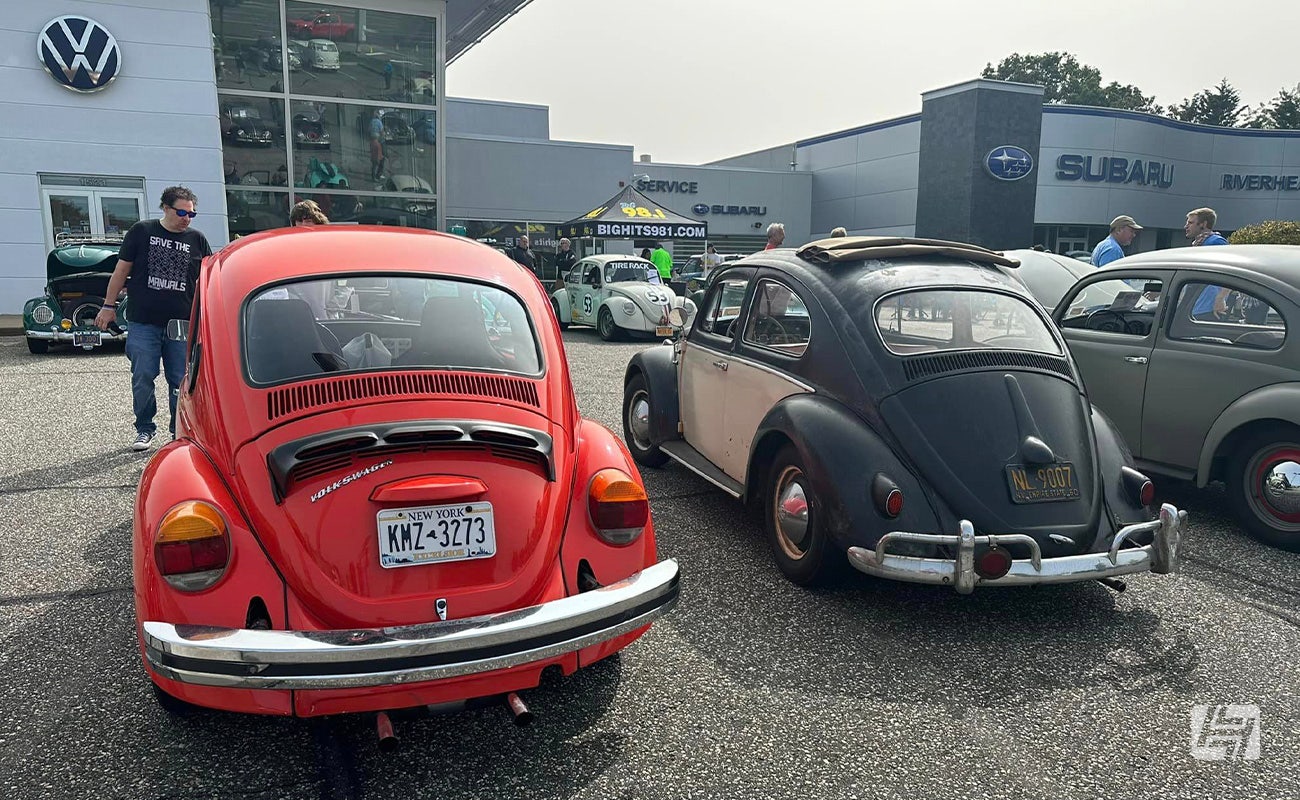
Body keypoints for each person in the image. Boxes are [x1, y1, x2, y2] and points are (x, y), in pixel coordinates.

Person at [93, 187, 212, 451]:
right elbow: (121, 270)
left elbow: (206, 281)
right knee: (143, 375)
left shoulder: (197, 239)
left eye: (192, 214)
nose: (187, 219)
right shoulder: (142, 231)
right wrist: (108, 306)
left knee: (179, 379)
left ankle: (178, 432)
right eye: (182, 212)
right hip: (144, 320)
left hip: (181, 323)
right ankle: (144, 428)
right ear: (166, 208)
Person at [1187, 207, 1232, 318]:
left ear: (1203, 224)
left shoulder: (1216, 242)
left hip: (1210, 308)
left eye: (1191, 223)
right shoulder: (1198, 244)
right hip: (1195, 306)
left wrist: (1221, 297)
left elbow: (1231, 271)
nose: (1186, 226)